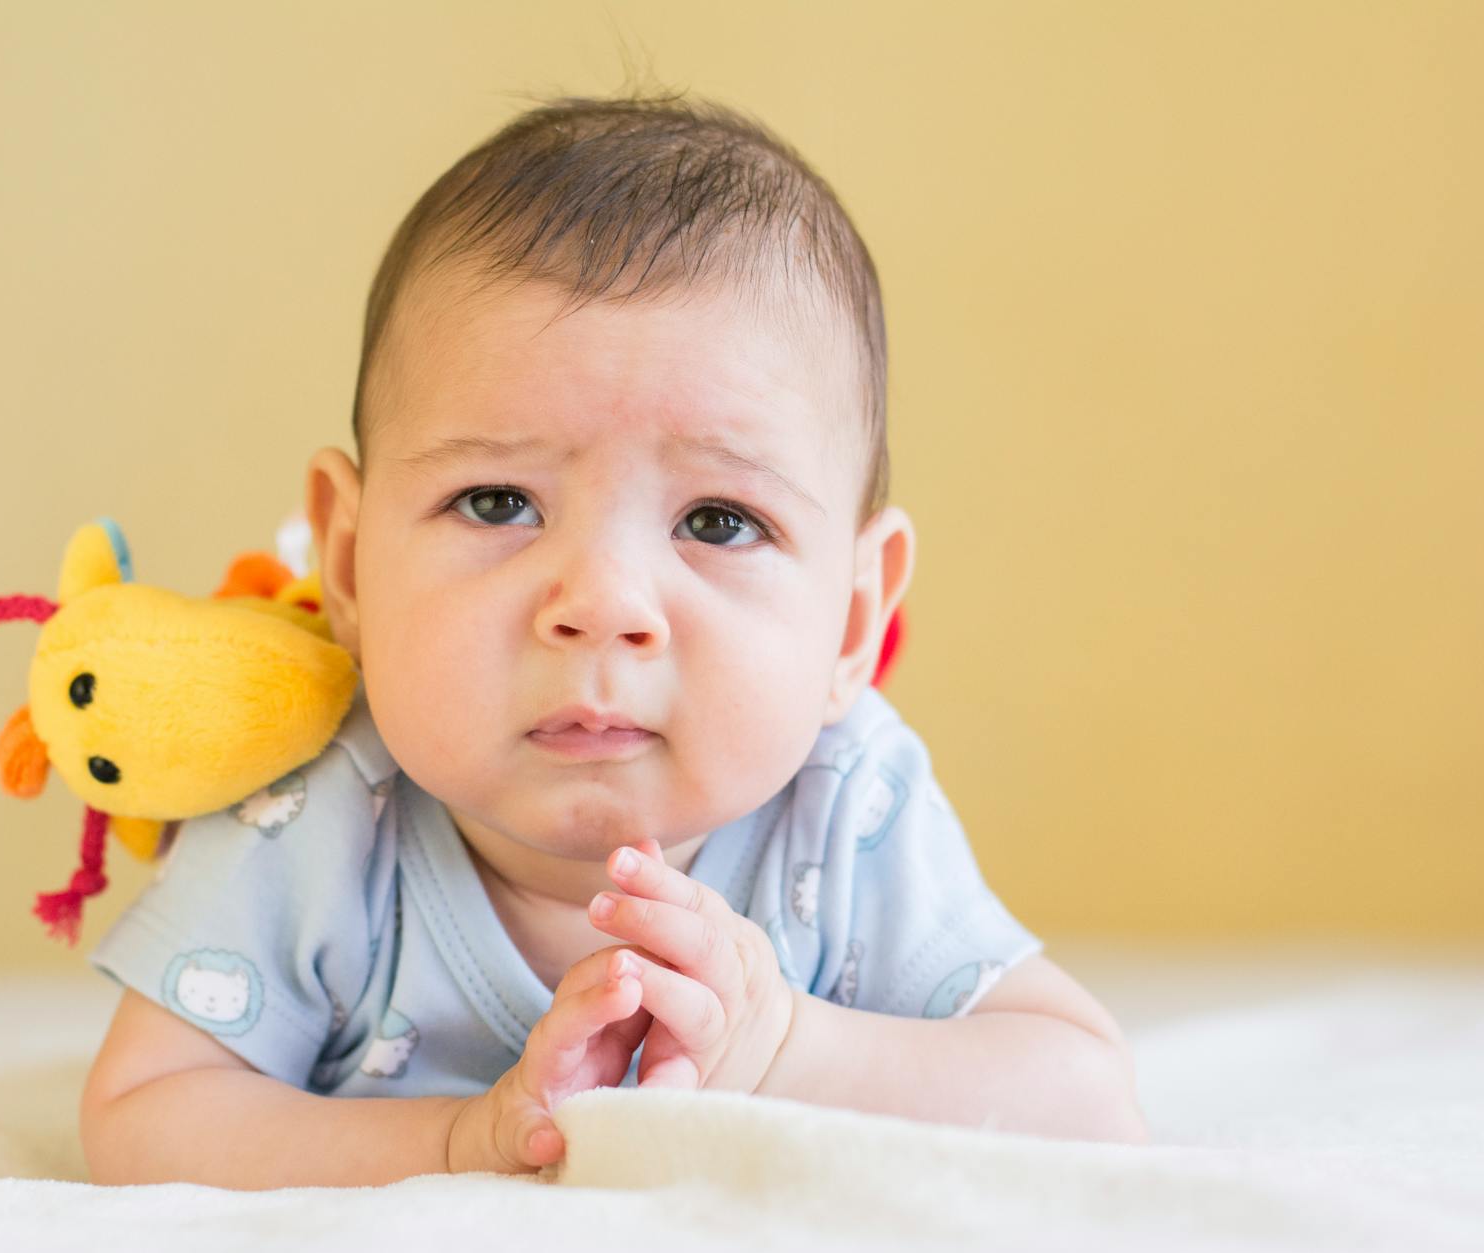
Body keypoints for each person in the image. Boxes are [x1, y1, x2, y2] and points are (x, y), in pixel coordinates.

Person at [79, 90, 1147, 1190]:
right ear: (346, 560)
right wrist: (461, 1140)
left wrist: (785, 1046)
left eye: (718, 521)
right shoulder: (317, 810)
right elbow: (144, 1110)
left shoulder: (845, 811)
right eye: (497, 501)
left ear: (852, 619)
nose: (599, 601)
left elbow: (1085, 1099)